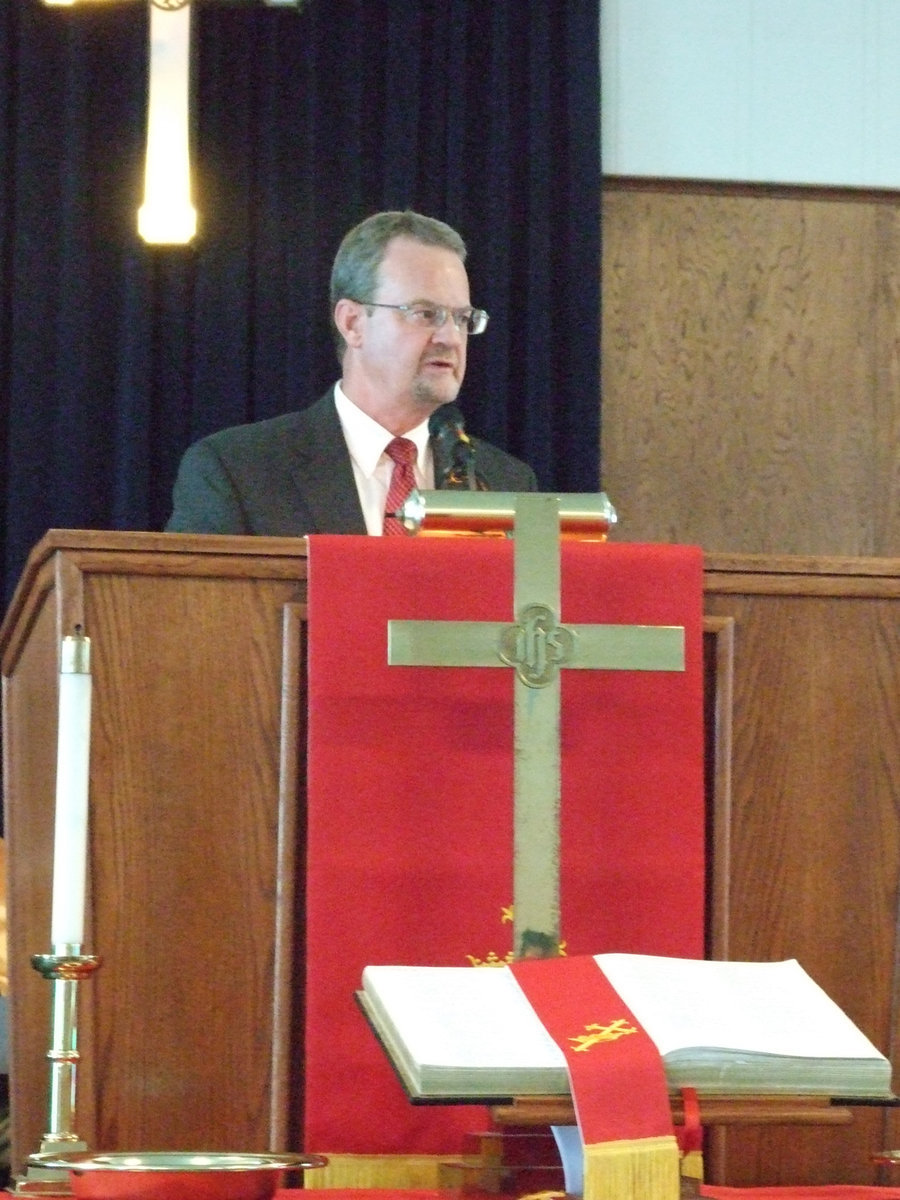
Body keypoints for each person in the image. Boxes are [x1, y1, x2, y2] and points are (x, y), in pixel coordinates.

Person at [165, 209, 537, 535]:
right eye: (426, 314)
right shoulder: (239, 472)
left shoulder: (504, 484)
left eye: (462, 318)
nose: (450, 337)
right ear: (353, 322)